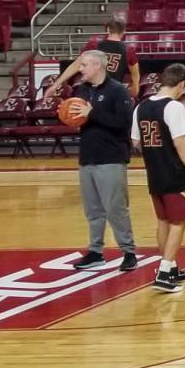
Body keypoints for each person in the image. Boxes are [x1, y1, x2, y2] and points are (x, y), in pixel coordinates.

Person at [48, 50, 138, 274]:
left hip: (112, 157)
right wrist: (68, 115)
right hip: (87, 156)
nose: (81, 69)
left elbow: (123, 123)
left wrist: (92, 113)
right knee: (93, 210)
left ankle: (129, 252)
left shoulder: (118, 90)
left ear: (98, 66)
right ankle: (95, 252)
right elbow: (80, 118)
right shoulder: (82, 90)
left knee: (116, 208)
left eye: (84, 65)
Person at [135, 63, 185, 294]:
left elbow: (136, 142)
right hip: (174, 172)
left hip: (154, 172)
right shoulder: (174, 107)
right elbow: (180, 143)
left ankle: (171, 266)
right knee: (178, 222)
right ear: (182, 84)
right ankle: (164, 272)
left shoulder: (141, 107)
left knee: (163, 220)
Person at [84, 16, 141, 96]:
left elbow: (78, 64)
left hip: (93, 90)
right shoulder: (128, 49)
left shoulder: (94, 44)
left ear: (107, 29)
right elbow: (135, 74)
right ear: (123, 31)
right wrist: (135, 88)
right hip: (113, 92)